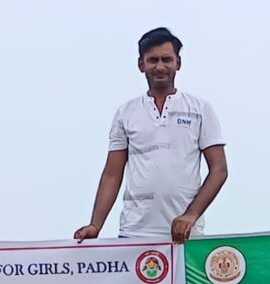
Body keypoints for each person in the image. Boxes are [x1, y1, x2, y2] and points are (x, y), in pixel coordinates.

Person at [73, 27, 229, 245]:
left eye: (167, 59)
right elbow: (112, 174)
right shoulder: (125, 113)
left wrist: (191, 215)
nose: (160, 66)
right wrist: (95, 225)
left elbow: (219, 170)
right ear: (141, 65)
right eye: (153, 60)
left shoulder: (200, 109)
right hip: (135, 235)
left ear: (178, 63)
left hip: (186, 236)